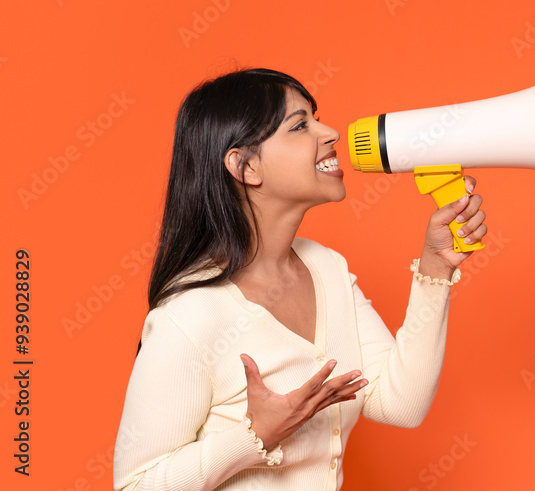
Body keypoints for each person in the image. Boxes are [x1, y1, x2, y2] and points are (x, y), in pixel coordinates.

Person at [113, 68, 487, 490]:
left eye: (316, 118)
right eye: (300, 126)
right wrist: (253, 438)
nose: (330, 134)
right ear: (245, 166)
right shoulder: (190, 315)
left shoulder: (326, 268)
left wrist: (436, 267)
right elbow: (135, 485)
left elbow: (400, 402)